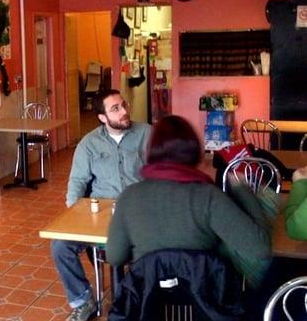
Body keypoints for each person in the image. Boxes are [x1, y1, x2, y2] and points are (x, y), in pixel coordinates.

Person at [106, 115, 272, 310]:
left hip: (150, 305)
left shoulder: (129, 196)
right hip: (205, 306)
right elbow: (260, 249)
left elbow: (115, 256)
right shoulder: (209, 197)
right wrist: (243, 190)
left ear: (151, 152)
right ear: (194, 152)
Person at [51, 89, 151, 321]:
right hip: (100, 212)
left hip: (138, 210)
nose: (124, 111)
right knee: (60, 246)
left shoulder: (146, 134)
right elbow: (77, 182)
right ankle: (82, 300)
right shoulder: (89, 144)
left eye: (123, 105)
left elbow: (163, 172)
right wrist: (75, 215)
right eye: (115, 109)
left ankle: (140, 296)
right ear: (102, 117)